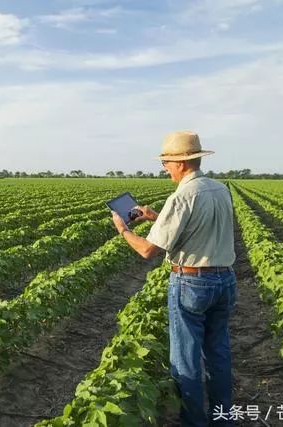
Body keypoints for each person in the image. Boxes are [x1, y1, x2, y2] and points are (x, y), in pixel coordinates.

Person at [111, 130, 237, 426]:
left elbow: (148, 250)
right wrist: (156, 217)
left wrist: (124, 230)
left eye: (166, 162)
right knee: (219, 352)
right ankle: (223, 419)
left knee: (186, 358)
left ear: (180, 163)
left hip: (193, 283)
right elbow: (199, 226)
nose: (165, 168)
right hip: (225, 280)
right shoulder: (219, 189)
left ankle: (194, 422)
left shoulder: (182, 196)